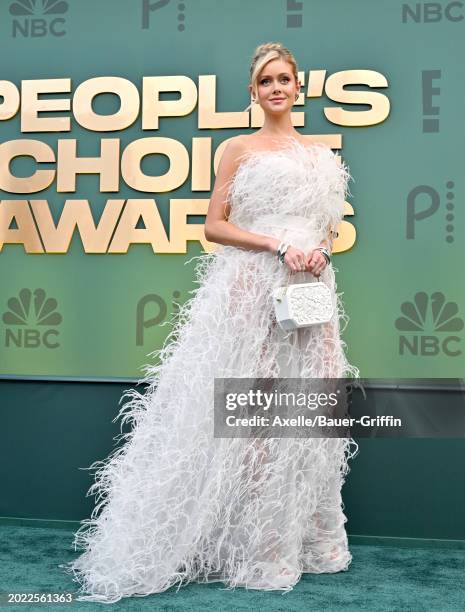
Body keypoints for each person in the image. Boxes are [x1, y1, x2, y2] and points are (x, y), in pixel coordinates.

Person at [59, 41, 360, 602]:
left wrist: (318, 248)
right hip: (251, 286)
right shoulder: (239, 149)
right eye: (265, 81)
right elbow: (213, 226)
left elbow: (328, 226)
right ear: (254, 92)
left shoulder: (322, 155)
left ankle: (303, 540)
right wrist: (278, 245)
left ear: (300, 87)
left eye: (284, 79)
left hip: (311, 290)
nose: (276, 88)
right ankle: (248, 542)